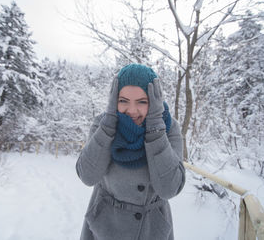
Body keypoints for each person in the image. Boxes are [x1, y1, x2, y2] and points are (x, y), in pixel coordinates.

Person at [76, 64, 186, 240]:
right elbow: (88, 176)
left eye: (142, 102)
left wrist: (156, 129)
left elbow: (169, 189)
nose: (132, 111)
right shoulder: (103, 124)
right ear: (114, 100)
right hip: (104, 228)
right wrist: (108, 125)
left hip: (151, 229)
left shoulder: (168, 127)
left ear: (154, 101)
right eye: (123, 101)